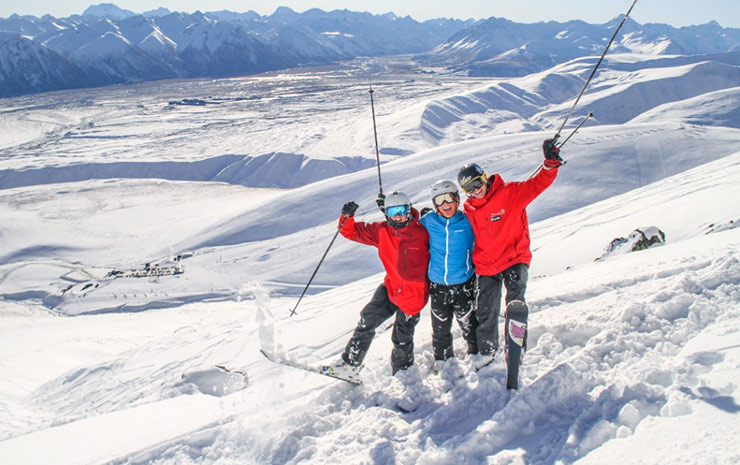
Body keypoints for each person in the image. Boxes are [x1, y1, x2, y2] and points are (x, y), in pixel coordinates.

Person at [457, 139, 563, 368]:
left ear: (484, 178)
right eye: (469, 188)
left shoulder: (511, 193)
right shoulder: (468, 210)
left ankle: (516, 346)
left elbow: (538, 184)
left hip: (514, 259)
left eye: (477, 183)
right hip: (486, 266)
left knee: (515, 301)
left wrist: (550, 163)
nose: (475, 191)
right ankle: (486, 351)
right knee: (486, 310)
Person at [330, 191, 430, 377]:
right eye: (393, 212)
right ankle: (350, 365)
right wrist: (347, 216)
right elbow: (350, 231)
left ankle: (404, 374)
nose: (399, 216)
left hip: (413, 293)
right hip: (391, 287)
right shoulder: (382, 231)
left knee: (401, 337)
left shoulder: (422, 232)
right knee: (367, 318)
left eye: (402, 210)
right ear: (387, 213)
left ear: (409, 210)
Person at [419, 180, 478, 368]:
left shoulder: (469, 221)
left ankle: (477, 355)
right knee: (440, 327)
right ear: (434, 204)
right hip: (438, 286)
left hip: (464, 283)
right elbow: (405, 228)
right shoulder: (428, 221)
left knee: (469, 324)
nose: (446, 204)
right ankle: (443, 361)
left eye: (449, 198)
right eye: (440, 200)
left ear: (457, 199)